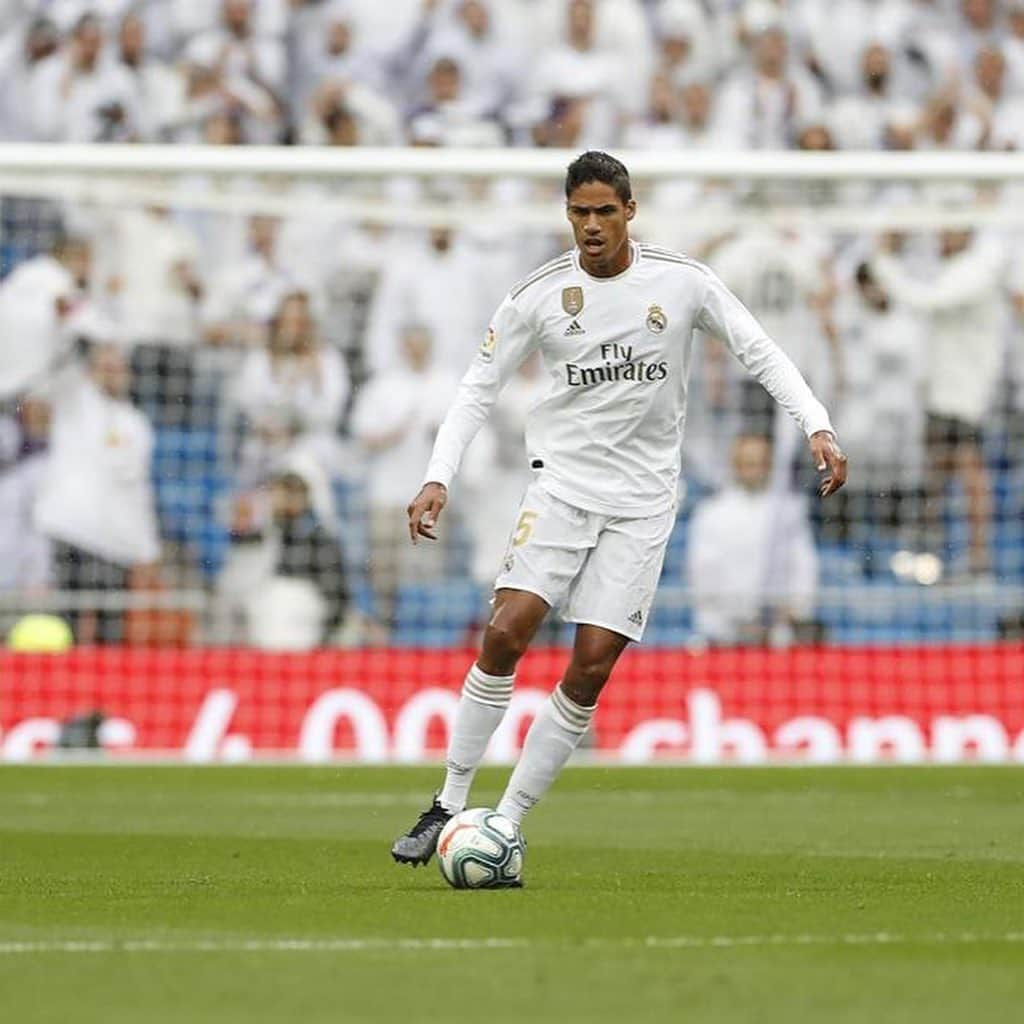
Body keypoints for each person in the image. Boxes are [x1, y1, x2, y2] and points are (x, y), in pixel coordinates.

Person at [391, 151, 846, 867]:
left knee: (593, 664)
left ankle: (504, 822)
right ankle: (447, 801)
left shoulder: (683, 282)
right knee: (509, 629)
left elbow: (760, 351)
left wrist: (815, 423)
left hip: (643, 505)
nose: (593, 226)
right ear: (567, 215)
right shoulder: (538, 295)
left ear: (631, 211)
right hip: (562, 488)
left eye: (606, 211)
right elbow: (478, 386)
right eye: (580, 213)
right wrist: (437, 476)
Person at [688, 434, 819, 647]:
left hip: (777, 631)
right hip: (726, 633)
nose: (754, 470)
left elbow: (803, 565)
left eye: (760, 463)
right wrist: (725, 618)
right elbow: (703, 572)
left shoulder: (788, 510)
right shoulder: (711, 513)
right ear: (736, 466)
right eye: (748, 463)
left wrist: (796, 611)